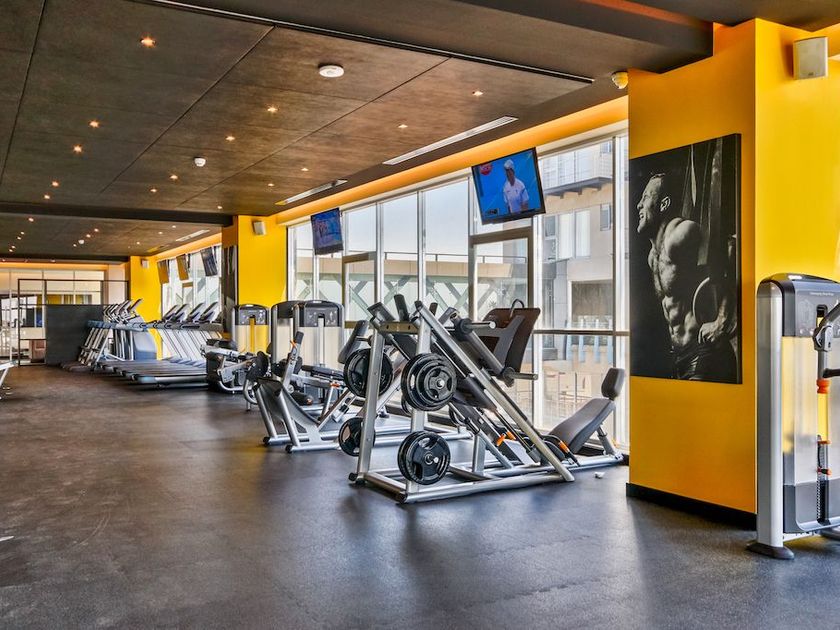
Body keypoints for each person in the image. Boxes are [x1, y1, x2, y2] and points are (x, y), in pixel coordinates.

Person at [636, 172, 737, 381]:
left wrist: (721, 321)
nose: (639, 205)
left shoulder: (679, 234)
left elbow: (730, 247)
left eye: (645, 198)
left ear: (663, 204)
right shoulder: (653, 256)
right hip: (678, 356)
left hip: (703, 351)